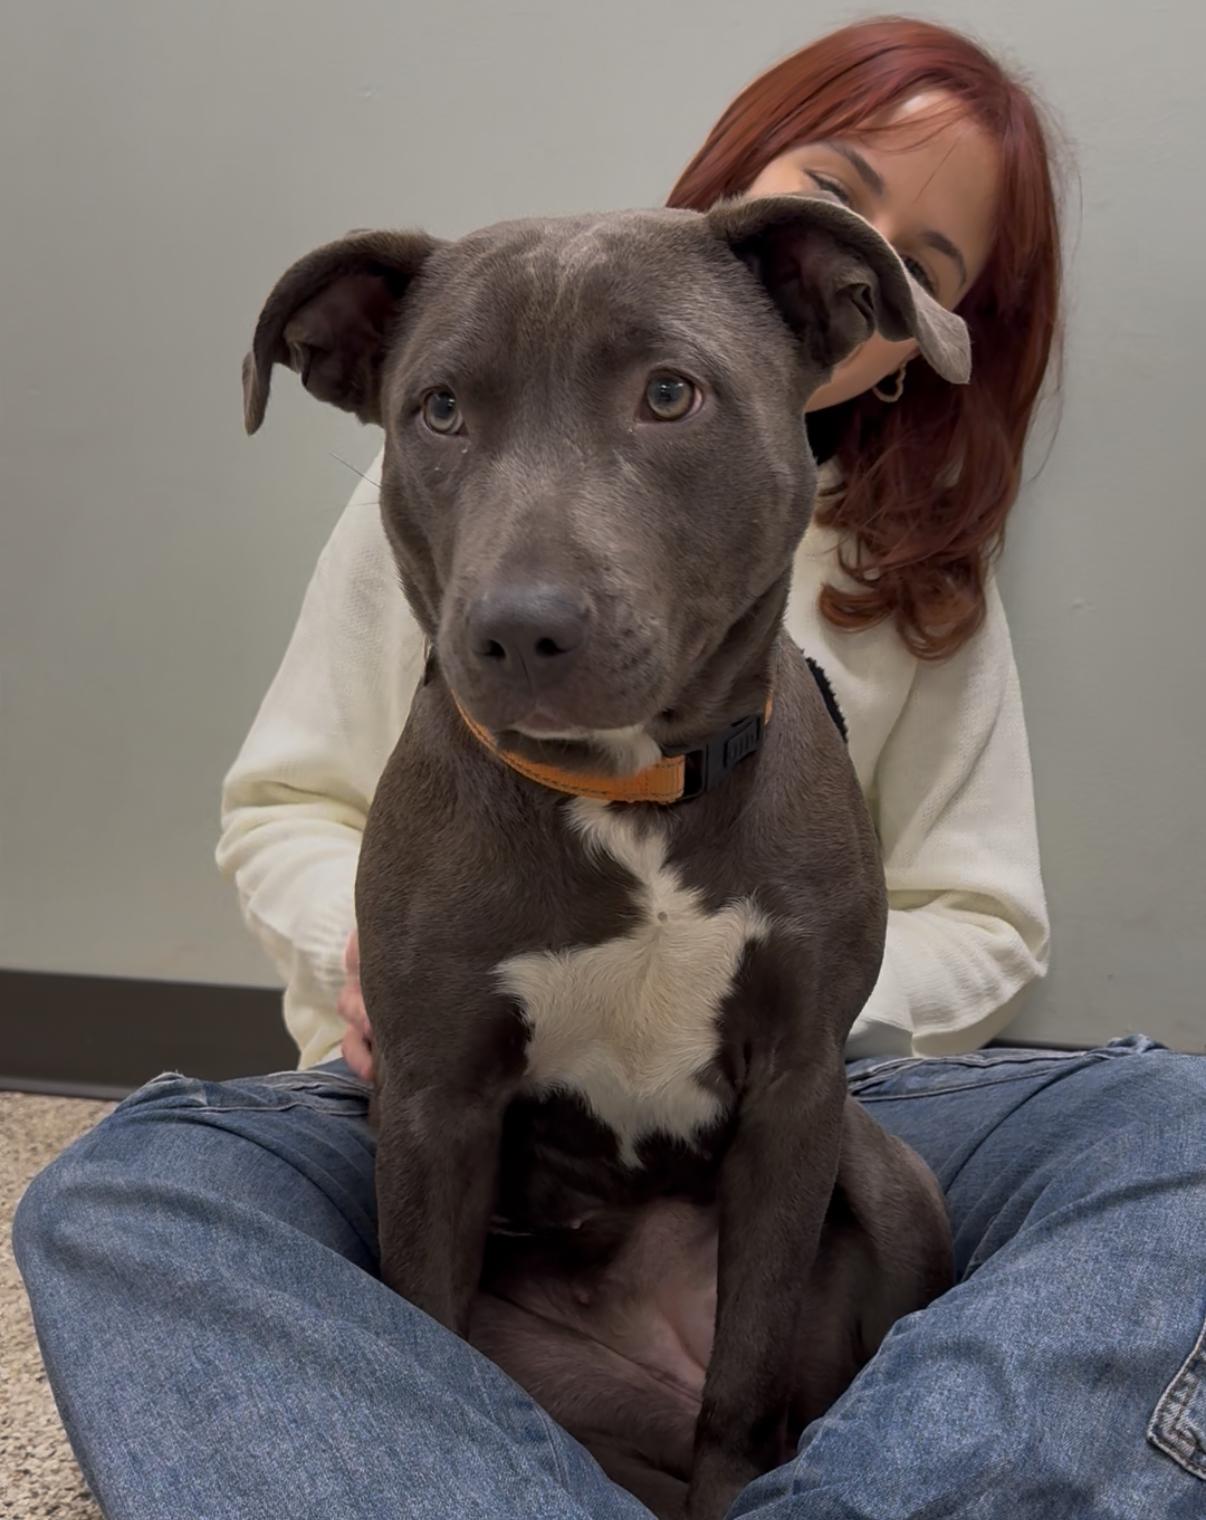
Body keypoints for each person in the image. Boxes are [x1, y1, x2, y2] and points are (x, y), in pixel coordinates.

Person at [14, 17, 1205, 1519]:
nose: (526, 581)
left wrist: (761, 1006)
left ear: (868, 312)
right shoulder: (448, 523)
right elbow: (286, 806)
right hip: (457, 1125)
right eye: (444, 412)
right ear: (754, 184)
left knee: (1182, 1135)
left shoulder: (924, 577)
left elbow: (989, 916)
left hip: (796, 1100)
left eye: (923, 257)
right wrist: (368, 955)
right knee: (123, 1196)